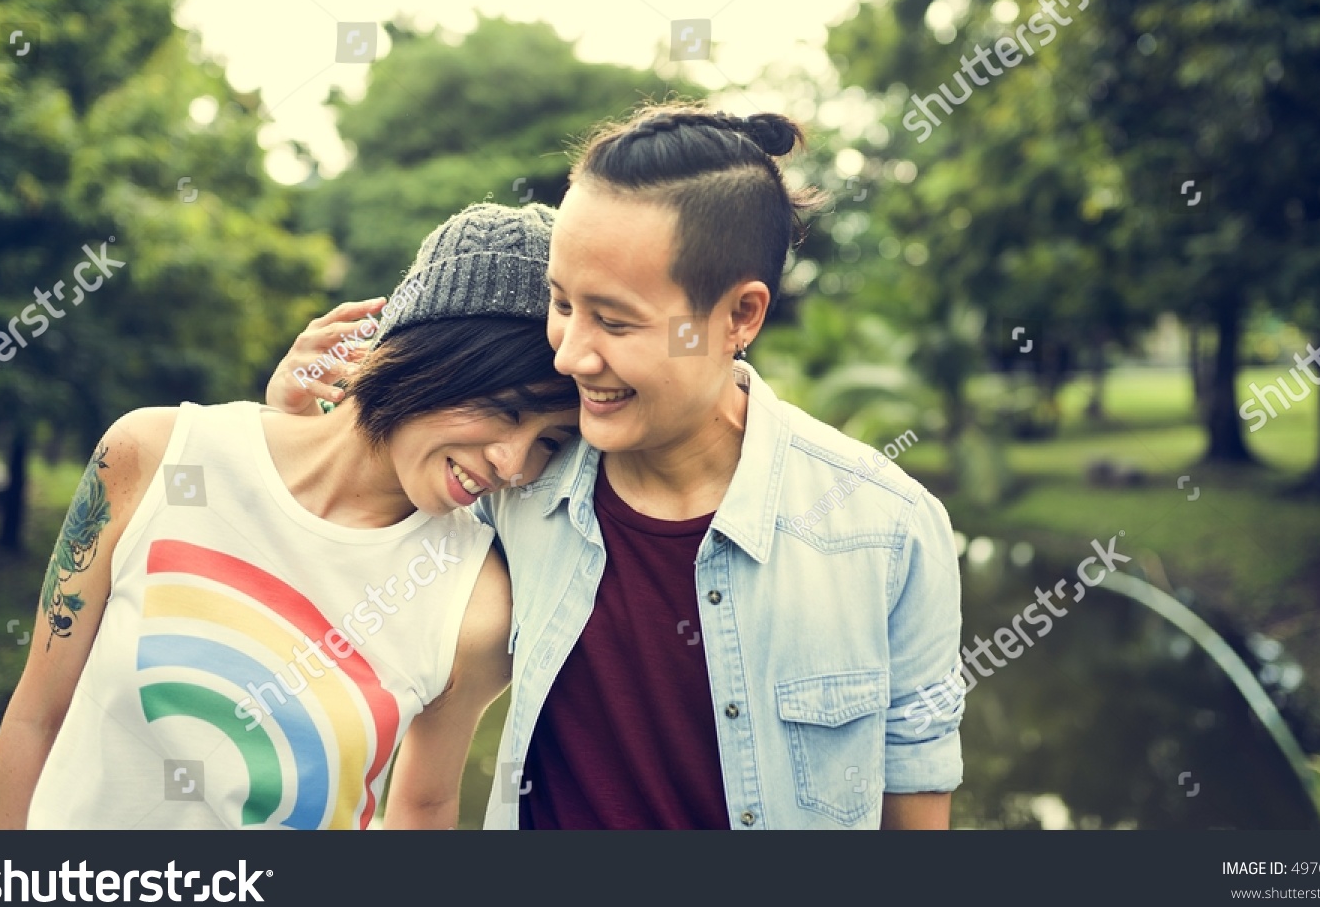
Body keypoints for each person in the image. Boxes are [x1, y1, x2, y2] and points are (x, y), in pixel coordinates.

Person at [269, 104, 965, 829]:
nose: (570, 352)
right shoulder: (509, 485)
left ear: (740, 316)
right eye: (562, 301)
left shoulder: (889, 532)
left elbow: (914, 813)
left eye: (615, 320)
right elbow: (326, 574)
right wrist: (296, 433)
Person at [0, 203, 579, 829]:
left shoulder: (474, 603)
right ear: (428, 352)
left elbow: (423, 805)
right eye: (506, 408)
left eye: (550, 443)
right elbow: (36, 714)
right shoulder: (155, 454)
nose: (513, 464)